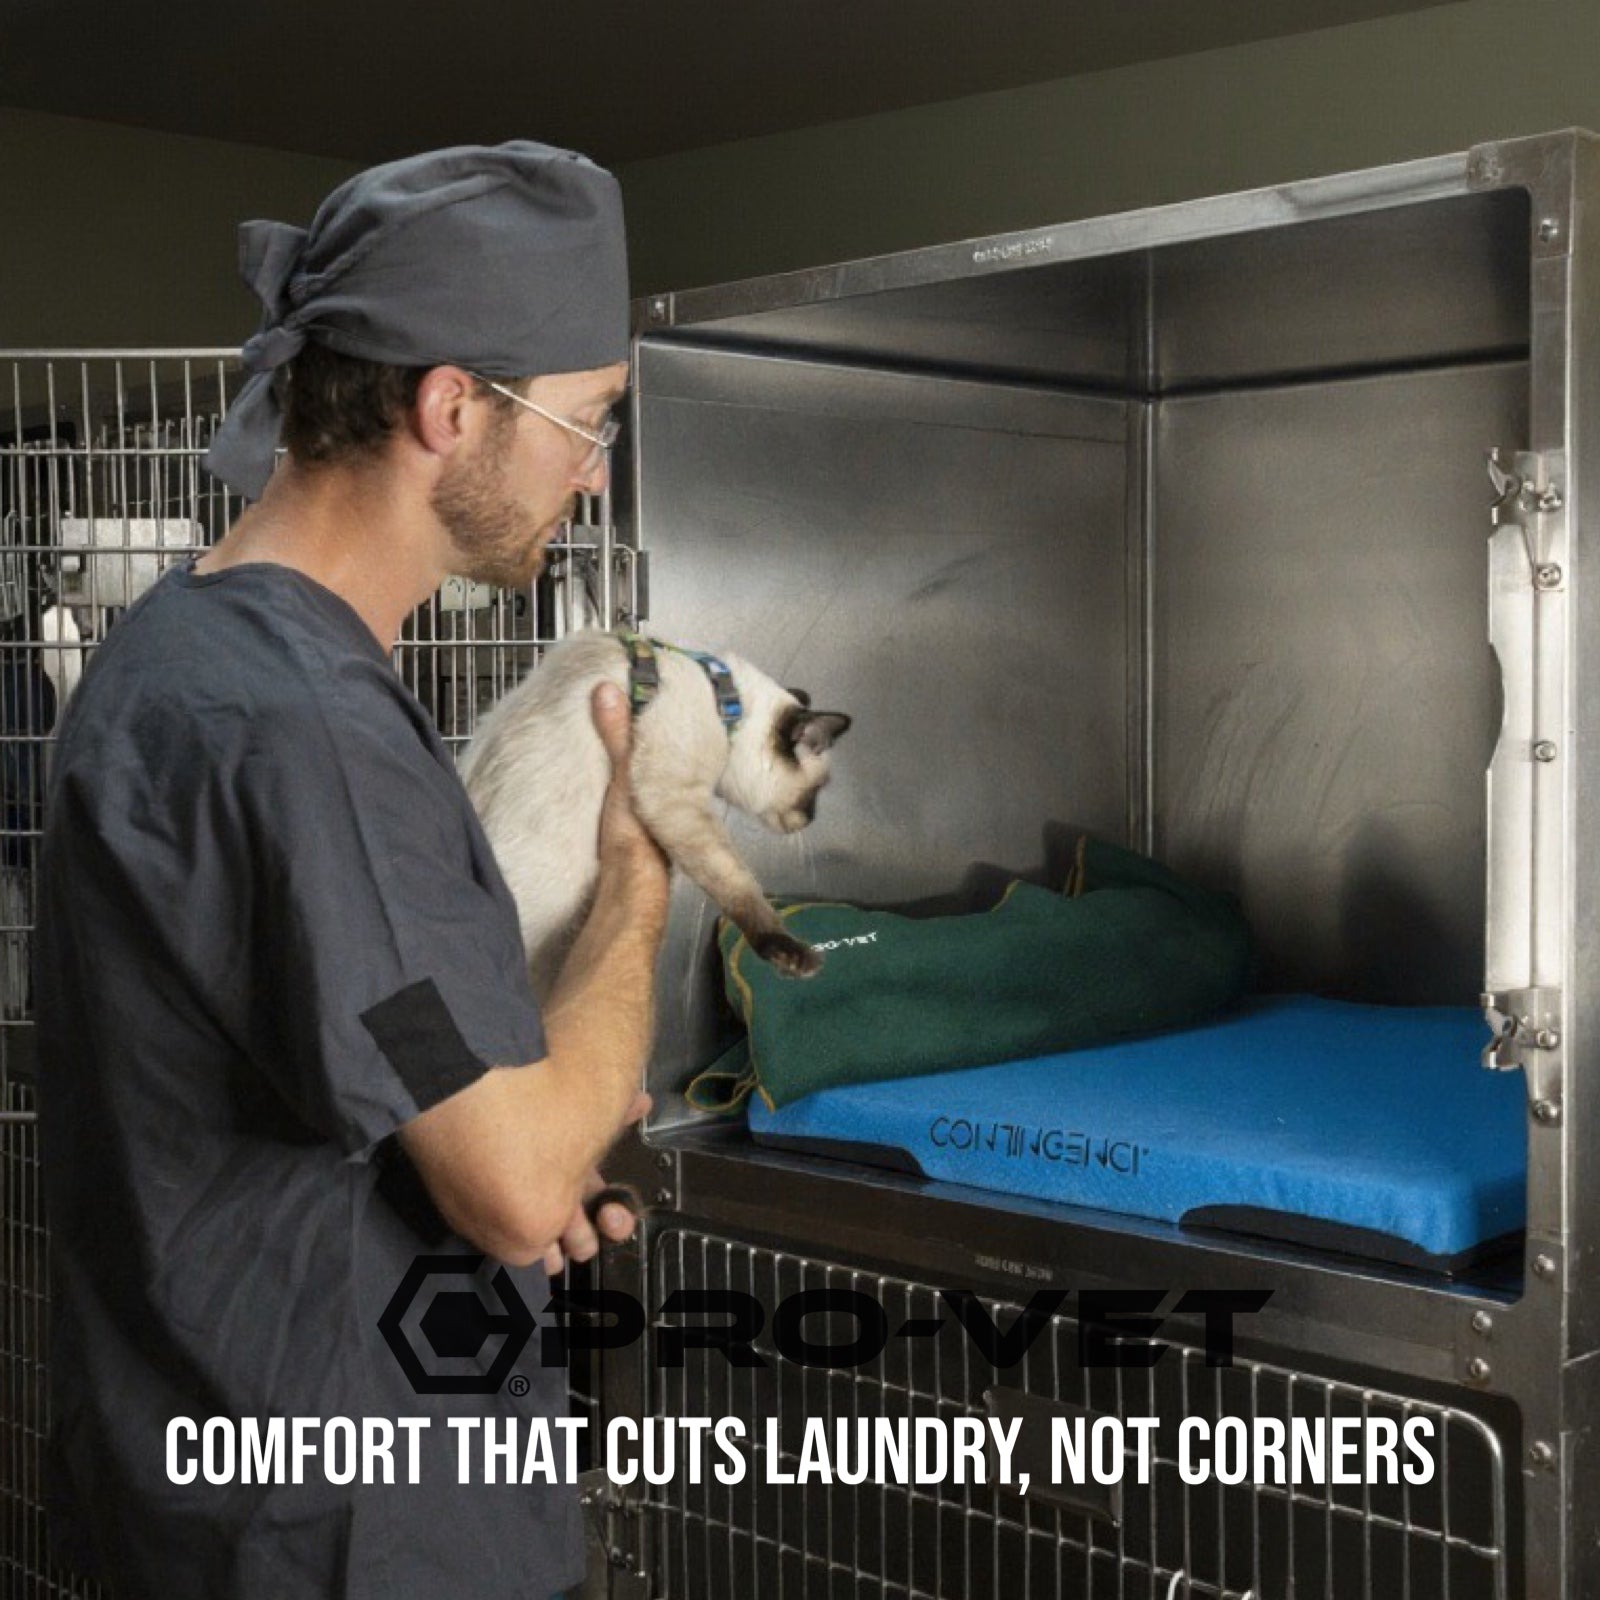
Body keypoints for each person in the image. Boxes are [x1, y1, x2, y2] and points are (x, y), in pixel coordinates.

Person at [35, 142, 667, 1599]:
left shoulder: (178, 656)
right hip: (354, 1536)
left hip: (189, 1501)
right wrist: (642, 866)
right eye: (586, 423)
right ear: (451, 408)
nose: (592, 474)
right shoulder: (311, 728)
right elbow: (512, 1186)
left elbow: (372, 1043)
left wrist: (514, 1138)